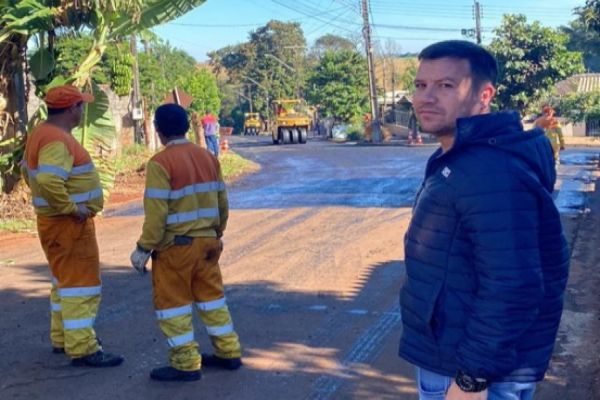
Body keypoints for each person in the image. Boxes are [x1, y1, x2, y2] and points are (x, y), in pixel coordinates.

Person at [398, 40, 569, 400]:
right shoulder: (464, 157)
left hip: (472, 372)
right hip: (456, 358)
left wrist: (471, 380)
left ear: (484, 95)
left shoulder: (490, 170)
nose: (426, 97)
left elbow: (514, 283)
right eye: (420, 85)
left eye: (445, 86)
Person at [130, 103, 242, 382]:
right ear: (186, 127)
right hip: (208, 244)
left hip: (176, 249)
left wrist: (144, 247)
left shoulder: (160, 163)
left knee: (174, 305)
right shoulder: (208, 158)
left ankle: (185, 363)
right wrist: (216, 234)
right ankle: (228, 352)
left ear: (158, 131)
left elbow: (157, 213)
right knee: (212, 300)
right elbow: (222, 204)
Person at [21, 85, 124, 368]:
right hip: (68, 225)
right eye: (80, 106)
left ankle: (63, 338)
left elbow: (28, 171)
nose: (82, 111)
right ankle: (82, 348)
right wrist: (70, 208)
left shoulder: (41, 134)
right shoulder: (56, 140)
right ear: (71, 109)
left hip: (55, 224)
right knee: (81, 285)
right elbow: (48, 180)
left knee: (63, 282)